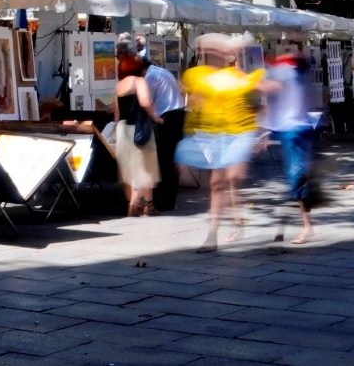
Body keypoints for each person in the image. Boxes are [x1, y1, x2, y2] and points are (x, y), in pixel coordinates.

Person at [176, 34, 264, 252]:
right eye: (207, 51)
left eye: (216, 51)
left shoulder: (237, 77)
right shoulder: (198, 77)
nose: (211, 55)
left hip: (238, 134)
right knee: (218, 184)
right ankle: (215, 233)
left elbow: (255, 105)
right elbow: (193, 103)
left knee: (231, 179)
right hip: (213, 136)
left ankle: (235, 223)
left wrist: (260, 134)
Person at [260, 53, 316, 245]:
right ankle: (303, 223)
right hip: (301, 129)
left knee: (296, 177)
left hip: (292, 131)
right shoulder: (298, 75)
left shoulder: (285, 72)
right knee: (297, 176)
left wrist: (244, 79)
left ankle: (302, 226)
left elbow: (270, 88)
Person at [113, 36, 162, 217]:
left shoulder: (118, 86)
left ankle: (144, 204)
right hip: (139, 128)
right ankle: (137, 203)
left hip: (123, 129)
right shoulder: (139, 82)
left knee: (130, 170)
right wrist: (155, 117)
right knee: (146, 168)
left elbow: (116, 114)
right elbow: (145, 101)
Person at [143, 42, 187, 213]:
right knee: (170, 159)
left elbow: (148, 102)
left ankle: (162, 201)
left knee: (162, 160)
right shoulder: (163, 71)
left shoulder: (150, 77)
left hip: (166, 118)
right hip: (178, 114)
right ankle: (169, 200)